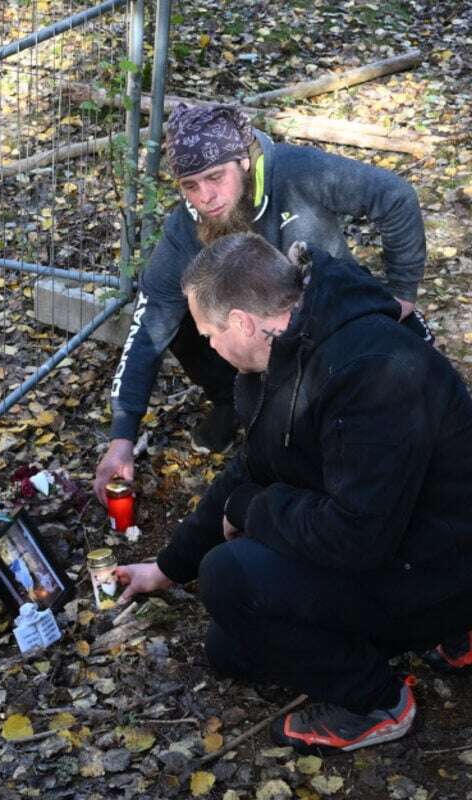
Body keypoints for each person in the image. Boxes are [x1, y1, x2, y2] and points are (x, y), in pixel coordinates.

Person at [116, 233, 472, 754]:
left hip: (439, 562)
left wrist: (255, 511)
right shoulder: (284, 347)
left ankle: (378, 701)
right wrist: (167, 568)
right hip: (401, 541)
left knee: (230, 576)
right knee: (231, 646)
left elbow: (357, 537)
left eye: (210, 333)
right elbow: (251, 467)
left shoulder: (369, 371)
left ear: (241, 321)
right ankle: (415, 637)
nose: (209, 347)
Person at [94, 104, 429, 504]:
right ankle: (229, 401)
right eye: (191, 185)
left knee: (404, 395)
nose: (206, 197)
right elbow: (148, 326)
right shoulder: (185, 227)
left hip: (333, 320)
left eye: (216, 178)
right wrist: (122, 435)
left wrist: (402, 290)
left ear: (244, 161)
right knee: (183, 318)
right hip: (260, 344)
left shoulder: (297, 171)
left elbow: (395, 196)